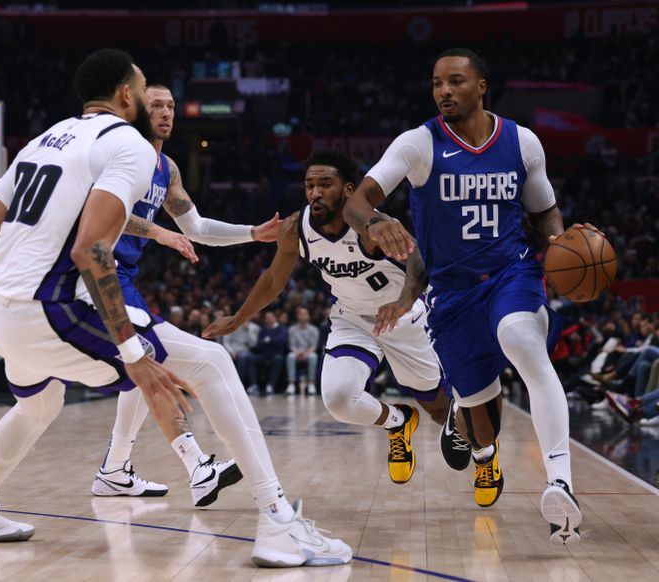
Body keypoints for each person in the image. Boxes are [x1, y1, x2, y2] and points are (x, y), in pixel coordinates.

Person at [0, 49, 350, 568]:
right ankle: (278, 521)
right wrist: (130, 350)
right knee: (211, 362)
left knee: (39, 404)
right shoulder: (125, 144)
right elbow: (90, 250)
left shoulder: (44, 140)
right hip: (48, 308)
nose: (161, 105)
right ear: (128, 95)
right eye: (148, 89)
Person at [343, 48, 594, 545]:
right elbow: (356, 201)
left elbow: (544, 212)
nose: (443, 91)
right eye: (436, 83)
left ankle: (560, 481)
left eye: (455, 81)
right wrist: (375, 221)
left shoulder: (523, 143)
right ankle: (465, 414)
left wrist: (562, 246)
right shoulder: (418, 144)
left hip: (511, 274)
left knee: (521, 340)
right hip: (451, 295)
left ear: (481, 87)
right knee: (485, 433)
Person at [205, 149, 466, 486]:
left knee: (441, 410)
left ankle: (484, 452)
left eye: (325, 184)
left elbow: (419, 260)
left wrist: (402, 302)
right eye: (309, 185)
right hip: (353, 318)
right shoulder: (294, 229)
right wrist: (238, 318)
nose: (315, 192)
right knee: (339, 400)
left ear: (348, 189)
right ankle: (398, 422)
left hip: (401, 317)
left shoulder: (374, 226)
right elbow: (272, 280)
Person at [91, 83, 282, 505]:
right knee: (161, 360)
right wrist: (158, 230)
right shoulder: (124, 153)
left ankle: (114, 469)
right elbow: (98, 211)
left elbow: (195, 227)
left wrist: (252, 233)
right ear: (137, 110)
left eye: (171, 106)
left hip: (121, 279)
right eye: (155, 104)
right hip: (95, 273)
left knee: (140, 367)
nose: (165, 112)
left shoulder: (167, 167)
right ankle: (197, 466)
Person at [286, 306, 319, 395]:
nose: (303, 316)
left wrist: (306, 353)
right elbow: (291, 345)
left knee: (313, 356)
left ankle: (311, 383)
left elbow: (314, 346)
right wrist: (297, 353)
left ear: (308, 316)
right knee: (290, 356)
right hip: (296, 353)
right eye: (301, 314)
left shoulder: (314, 330)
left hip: (308, 353)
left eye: (305, 314)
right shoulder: (292, 329)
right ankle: (291, 384)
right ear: (298, 316)